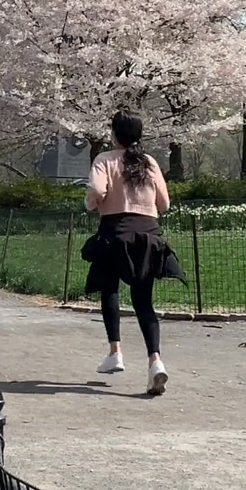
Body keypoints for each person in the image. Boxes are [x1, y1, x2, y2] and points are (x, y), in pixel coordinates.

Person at [83, 111, 185, 396]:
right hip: (148, 235)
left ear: (114, 134)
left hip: (115, 233)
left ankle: (115, 352)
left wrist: (92, 202)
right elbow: (164, 204)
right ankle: (156, 361)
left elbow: (96, 190)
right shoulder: (149, 162)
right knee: (143, 301)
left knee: (109, 289)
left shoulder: (105, 159)